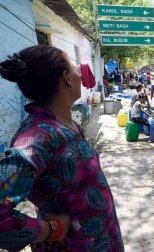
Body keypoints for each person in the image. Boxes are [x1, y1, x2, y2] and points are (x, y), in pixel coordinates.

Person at [0, 45, 123, 250]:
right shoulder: (37, 138)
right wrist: (50, 229)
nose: (79, 72)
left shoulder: (66, 125)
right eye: (74, 68)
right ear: (66, 77)